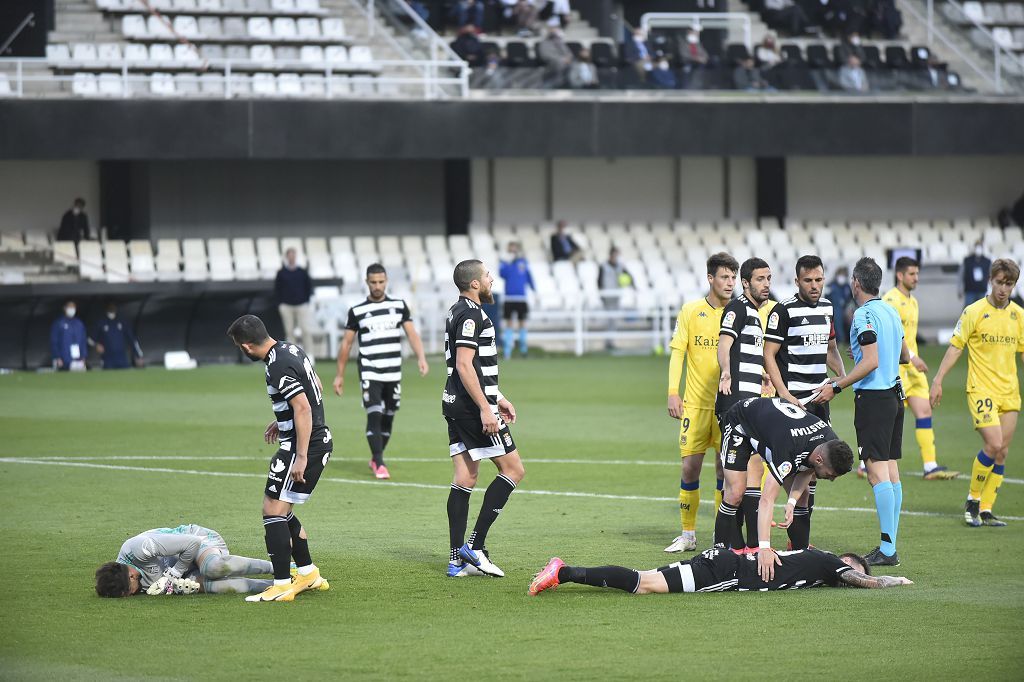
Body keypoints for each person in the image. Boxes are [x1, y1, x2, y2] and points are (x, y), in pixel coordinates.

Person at [226, 315, 333, 602]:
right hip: (312, 441)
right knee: (281, 511)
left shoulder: (277, 364)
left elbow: (303, 408)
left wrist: (299, 456)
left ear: (247, 346)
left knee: (272, 511)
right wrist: (282, 418)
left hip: (304, 447)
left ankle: (283, 584)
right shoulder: (290, 349)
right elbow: (315, 387)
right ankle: (308, 574)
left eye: (239, 346)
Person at [812, 257, 911, 567]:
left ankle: (888, 549)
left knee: (877, 474)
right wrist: (867, 354)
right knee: (891, 473)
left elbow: (871, 361)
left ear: (856, 282)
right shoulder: (891, 311)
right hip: (895, 397)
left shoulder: (862, 315)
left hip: (875, 400)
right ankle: (889, 546)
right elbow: (904, 355)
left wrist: (838, 385)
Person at [443, 260, 526, 578]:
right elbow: (465, 365)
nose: (491, 279)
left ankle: (456, 560)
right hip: (469, 407)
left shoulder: (456, 310)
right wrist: (485, 407)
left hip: (454, 401)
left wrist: (497, 397)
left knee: (464, 477)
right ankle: (474, 546)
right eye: (487, 275)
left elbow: (470, 367)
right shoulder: (472, 315)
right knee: (514, 469)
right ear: (475, 284)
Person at [715, 397, 854, 577]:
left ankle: (801, 556)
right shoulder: (790, 449)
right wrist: (765, 548)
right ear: (820, 459)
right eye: (831, 474)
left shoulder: (830, 442)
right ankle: (716, 554)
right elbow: (766, 499)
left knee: (802, 498)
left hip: (773, 428)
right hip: (740, 421)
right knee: (735, 493)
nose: (832, 479)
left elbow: (807, 468)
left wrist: (791, 501)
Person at [763, 255, 847, 550]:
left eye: (819, 280)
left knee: (813, 473)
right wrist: (783, 393)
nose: (814, 286)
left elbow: (831, 348)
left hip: (820, 401)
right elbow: (769, 354)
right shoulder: (783, 310)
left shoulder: (827, 307)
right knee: (794, 469)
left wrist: (841, 378)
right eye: (808, 281)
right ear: (797, 281)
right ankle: (790, 537)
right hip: (792, 403)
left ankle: (798, 543)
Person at [931, 258, 1023, 528]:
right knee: (993, 444)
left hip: (1010, 392)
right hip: (981, 389)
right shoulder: (974, 311)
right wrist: (938, 380)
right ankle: (972, 500)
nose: (1003, 289)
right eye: (999, 282)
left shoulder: (1019, 316)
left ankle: (986, 509)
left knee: (1003, 452)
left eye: (1009, 284)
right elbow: (956, 347)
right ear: (990, 281)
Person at [664, 252, 738, 553]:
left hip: (728, 407)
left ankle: (721, 538)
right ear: (711, 278)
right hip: (694, 406)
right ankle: (688, 534)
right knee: (689, 470)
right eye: (724, 277)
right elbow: (678, 352)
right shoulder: (692, 311)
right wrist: (672, 391)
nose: (730, 283)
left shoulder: (738, 313)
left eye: (733, 277)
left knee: (725, 472)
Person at [332, 264, 429, 480]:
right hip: (370, 370)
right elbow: (347, 344)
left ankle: (376, 456)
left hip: (393, 372)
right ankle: (379, 461)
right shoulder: (357, 311)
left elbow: (412, 334)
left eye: (381, 282)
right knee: (374, 413)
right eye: (373, 282)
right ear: (367, 282)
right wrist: (339, 375)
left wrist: (421, 357)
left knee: (389, 417)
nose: (377, 286)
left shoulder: (399, 306)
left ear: (386, 281)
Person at [528, 546, 912, 596]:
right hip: (727, 571)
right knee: (645, 585)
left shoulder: (813, 564)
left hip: (724, 562)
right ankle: (562, 572)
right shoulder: (828, 561)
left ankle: (564, 572)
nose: (850, 574)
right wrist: (890, 579)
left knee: (643, 578)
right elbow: (860, 579)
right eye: (853, 565)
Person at [880, 257, 958, 480]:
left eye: (917, 273)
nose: (917, 278)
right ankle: (871, 462)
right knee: (890, 417)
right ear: (900, 275)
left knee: (924, 411)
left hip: (913, 369)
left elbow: (909, 337)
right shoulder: (890, 300)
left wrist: (913, 356)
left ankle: (930, 466)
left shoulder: (913, 301)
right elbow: (890, 336)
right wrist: (911, 356)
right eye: (912, 274)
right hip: (897, 368)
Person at [716, 257, 773, 551]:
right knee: (736, 488)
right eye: (760, 279)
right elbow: (724, 344)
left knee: (752, 475)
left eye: (768, 279)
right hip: (734, 408)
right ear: (746, 283)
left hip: (750, 407)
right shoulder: (737, 308)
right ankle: (722, 545)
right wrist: (726, 371)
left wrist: (761, 375)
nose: (766, 284)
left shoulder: (754, 312)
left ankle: (744, 545)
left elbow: (744, 353)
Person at [94, 524, 302, 597]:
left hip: (200, 540)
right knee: (215, 587)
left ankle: (283, 569)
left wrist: (175, 573)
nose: (132, 594)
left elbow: (191, 543)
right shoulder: (138, 584)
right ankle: (280, 586)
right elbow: (171, 584)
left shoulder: (138, 549)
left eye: (127, 591)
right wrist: (180, 587)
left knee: (214, 568)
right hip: (185, 567)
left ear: (130, 575)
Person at [498, 242, 535, 359]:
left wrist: (534, 289)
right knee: (509, 324)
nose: (513, 251)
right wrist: (508, 262)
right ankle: (508, 351)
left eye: (514, 248)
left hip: (521, 297)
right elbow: (502, 274)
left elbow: (529, 276)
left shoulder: (523, 262)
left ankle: (523, 349)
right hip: (509, 297)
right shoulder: (504, 262)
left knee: (522, 323)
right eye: (511, 249)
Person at [274, 248, 315, 353]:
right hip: (286, 305)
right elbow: (277, 289)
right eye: (290, 255)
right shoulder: (281, 273)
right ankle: (291, 354)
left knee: (305, 330)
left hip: (301, 305)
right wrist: (281, 303)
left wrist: (306, 300)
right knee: (289, 331)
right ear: (287, 257)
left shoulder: (302, 272)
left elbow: (308, 287)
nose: (292, 257)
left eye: (293, 255)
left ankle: (309, 354)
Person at [89, 302, 143, 369]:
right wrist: (96, 345)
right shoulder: (101, 322)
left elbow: (132, 340)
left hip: (122, 359)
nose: (112, 308)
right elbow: (90, 339)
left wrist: (138, 355)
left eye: (113, 306)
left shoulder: (122, 322)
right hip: (107, 359)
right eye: (110, 306)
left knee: (125, 377)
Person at [598, 247, 633, 348]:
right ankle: (607, 342)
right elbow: (599, 281)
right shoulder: (603, 266)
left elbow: (629, 277)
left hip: (616, 297)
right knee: (608, 320)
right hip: (607, 297)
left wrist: (632, 285)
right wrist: (602, 295)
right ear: (611, 255)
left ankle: (610, 341)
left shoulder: (620, 266)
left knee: (614, 320)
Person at [50, 299, 88, 371]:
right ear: (65, 308)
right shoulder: (59, 323)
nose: (72, 309)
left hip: (78, 358)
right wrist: (57, 357)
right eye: (70, 307)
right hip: (63, 359)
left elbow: (83, 340)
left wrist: (84, 356)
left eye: (73, 307)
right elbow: (54, 341)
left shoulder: (79, 323)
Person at [960, 240, 993, 306]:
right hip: (969, 290)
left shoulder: (987, 261)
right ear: (974, 248)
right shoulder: (967, 260)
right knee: (968, 310)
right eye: (977, 247)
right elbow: (961, 275)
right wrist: (959, 289)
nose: (978, 249)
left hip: (982, 290)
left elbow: (991, 275)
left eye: (980, 247)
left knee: (981, 310)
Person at [827, 266, 853, 343]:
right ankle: (840, 340)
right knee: (838, 316)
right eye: (841, 275)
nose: (842, 277)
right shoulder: (831, 286)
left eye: (844, 275)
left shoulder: (847, 286)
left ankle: (850, 340)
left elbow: (851, 299)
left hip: (846, 308)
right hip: (834, 308)